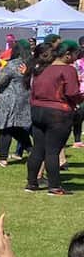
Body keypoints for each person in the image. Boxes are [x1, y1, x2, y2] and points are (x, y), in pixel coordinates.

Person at [27, 40, 82, 195]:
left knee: (38, 148)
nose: (76, 58)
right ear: (67, 54)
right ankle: (55, 187)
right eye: (75, 55)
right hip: (58, 112)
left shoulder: (42, 67)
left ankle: (31, 183)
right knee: (53, 150)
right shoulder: (67, 69)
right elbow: (72, 93)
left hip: (37, 110)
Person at [0, 41, 33, 167]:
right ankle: (32, 151)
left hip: (9, 100)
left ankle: (3, 159)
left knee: (5, 128)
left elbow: (0, 81)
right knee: (17, 128)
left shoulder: (12, 64)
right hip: (25, 99)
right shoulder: (31, 64)